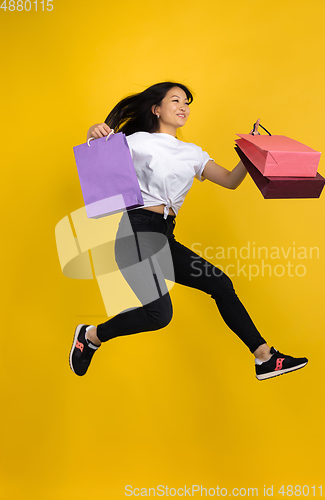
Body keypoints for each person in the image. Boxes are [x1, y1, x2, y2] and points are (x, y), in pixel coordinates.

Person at [69, 81, 308, 380]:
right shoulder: (138, 141)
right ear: (156, 109)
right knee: (160, 315)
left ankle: (265, 358)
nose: (184, 106)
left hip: (163, 236)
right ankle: (91, 336)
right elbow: (97, 156)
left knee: (220, 283)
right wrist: (94, 131)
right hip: (136, 233)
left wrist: (252, 149)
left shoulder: (192, 153)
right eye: (175, 101)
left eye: (187, 102)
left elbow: (231, 180)